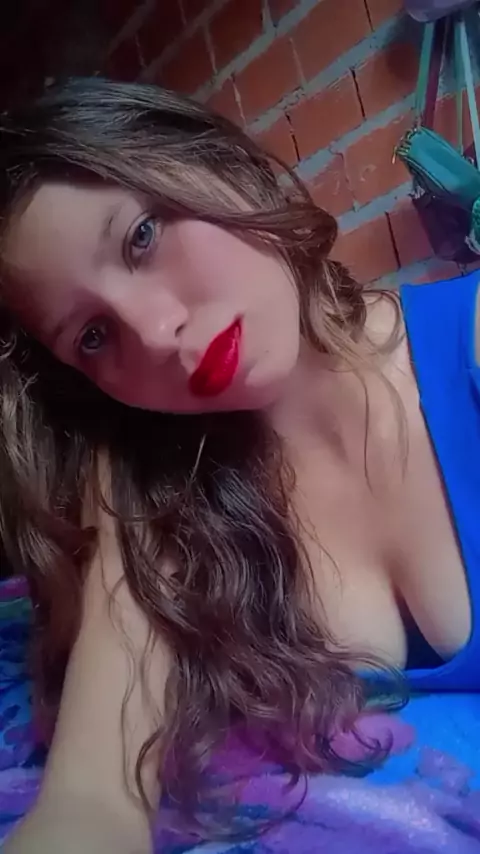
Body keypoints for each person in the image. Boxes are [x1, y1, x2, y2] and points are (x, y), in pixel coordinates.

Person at [0, 76, 478, 854]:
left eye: (142, 237)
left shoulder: (473, 347)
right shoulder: (156, 490)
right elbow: (92, 799)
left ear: (220, 164)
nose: (155, 332)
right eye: (92, 336)